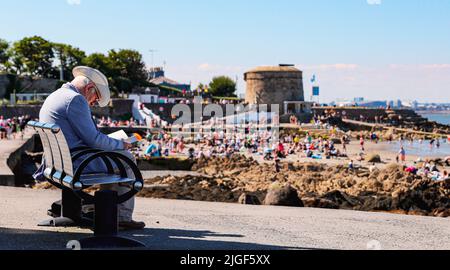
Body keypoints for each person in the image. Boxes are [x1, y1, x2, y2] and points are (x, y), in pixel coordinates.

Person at [36, 66, 145, 230]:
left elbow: (87, 137)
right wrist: (122, 144)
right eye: (95, 97)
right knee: (126, 158)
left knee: (117, 156)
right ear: (89, 88)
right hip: (77, 163)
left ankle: (95, 209)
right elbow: (94, 140)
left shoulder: (55, 96)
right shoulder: (75, 100)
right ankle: (121, 216)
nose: (93, 103)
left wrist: (111, 143)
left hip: (58, 162)